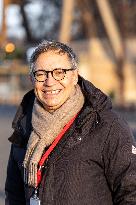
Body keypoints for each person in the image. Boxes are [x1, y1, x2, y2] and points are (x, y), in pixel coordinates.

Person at [5, 40, 136, 205]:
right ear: (32, 79)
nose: (49, 81)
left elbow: (131, 193)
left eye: (59, 72)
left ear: (74, 76)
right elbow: (14, 195)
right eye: (41, 74)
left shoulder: (107, 126)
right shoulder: (24, 127)